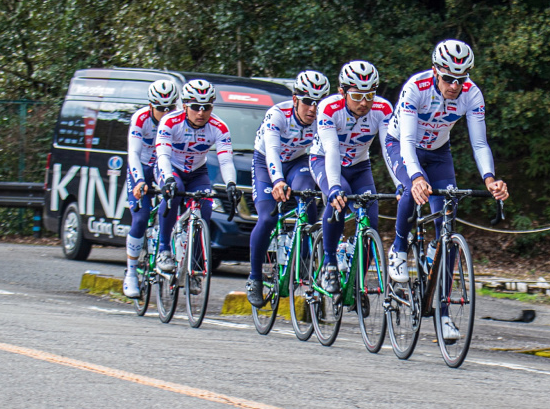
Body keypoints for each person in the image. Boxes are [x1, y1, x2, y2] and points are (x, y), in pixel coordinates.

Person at [384, 39, 509, 339]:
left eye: (461, 79)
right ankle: (399, 249)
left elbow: (479, 143)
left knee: (448, 220)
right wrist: (415, 177)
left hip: (440, 153)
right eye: (449, 79)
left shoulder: (472, 94)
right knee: (410, 193)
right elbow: (407, 143)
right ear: (435, 72)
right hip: (402, 146)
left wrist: (490, 179)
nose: (454, 86)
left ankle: (443, 314)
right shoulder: (416, 88)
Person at [309, 61, 397, 294]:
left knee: (372, 223)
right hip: (324, 161)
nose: (364, 103)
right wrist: (335, 187)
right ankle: (329, 263)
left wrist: (400, 183)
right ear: (342, 92)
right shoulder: (329, 108)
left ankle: (356, 281)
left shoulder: (383, 109)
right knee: (339, 200)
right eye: (357, 96)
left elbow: (389, 150)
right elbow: (331, 148)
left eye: (369, 95)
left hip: (359, 166)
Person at [245, 70, 331, 307]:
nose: (312, 109)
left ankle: (303, 265)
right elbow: (272, 150)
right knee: (267, 219)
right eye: (307, 102)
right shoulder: (277, 115)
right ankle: (254, 278)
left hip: (298, 161)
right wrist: (277, 181)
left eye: (318, 102)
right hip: (266, 162)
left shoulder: (325, 118)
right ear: (295, 100)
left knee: (308, 201)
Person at [155, 79, 239, 273]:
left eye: (207, 107)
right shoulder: (170, 122)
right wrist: (167, 178)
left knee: (206, 205)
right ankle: (164, 250)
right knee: (175, 195)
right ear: (184, 105)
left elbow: (225, 160)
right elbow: (163, 155)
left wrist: (231, 184)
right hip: (171, 168)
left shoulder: (219, 126)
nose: (201, 113)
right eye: (195, 107)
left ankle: (195, 263)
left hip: (197, 172)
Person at [122, 80, 179, 298]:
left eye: (170, 108)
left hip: (165, 166)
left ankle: (169, 249)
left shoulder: (179, 120)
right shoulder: (140, 118)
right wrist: (138, 181)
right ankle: (131, 273)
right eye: (160, 108)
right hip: (143, 167)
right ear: (151, 105)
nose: (165, 113)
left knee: (174, 202)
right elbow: (133, 154)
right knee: (140, 217)